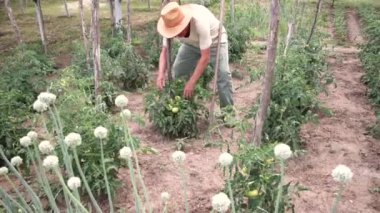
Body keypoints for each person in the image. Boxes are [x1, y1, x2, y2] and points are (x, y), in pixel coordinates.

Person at [156, 1, 234, 108]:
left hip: (216, 41)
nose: (176, 35)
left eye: (178, 31)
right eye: (173, 32)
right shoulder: (170, 24)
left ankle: (228, 111)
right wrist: (160, 74)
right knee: (178, 71)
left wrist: (192, 82)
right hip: (191, 45)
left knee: (223, 75)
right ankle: (182, 106)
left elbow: (205, 57)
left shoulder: (199, 22)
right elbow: (164, 52)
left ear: (185, 23)